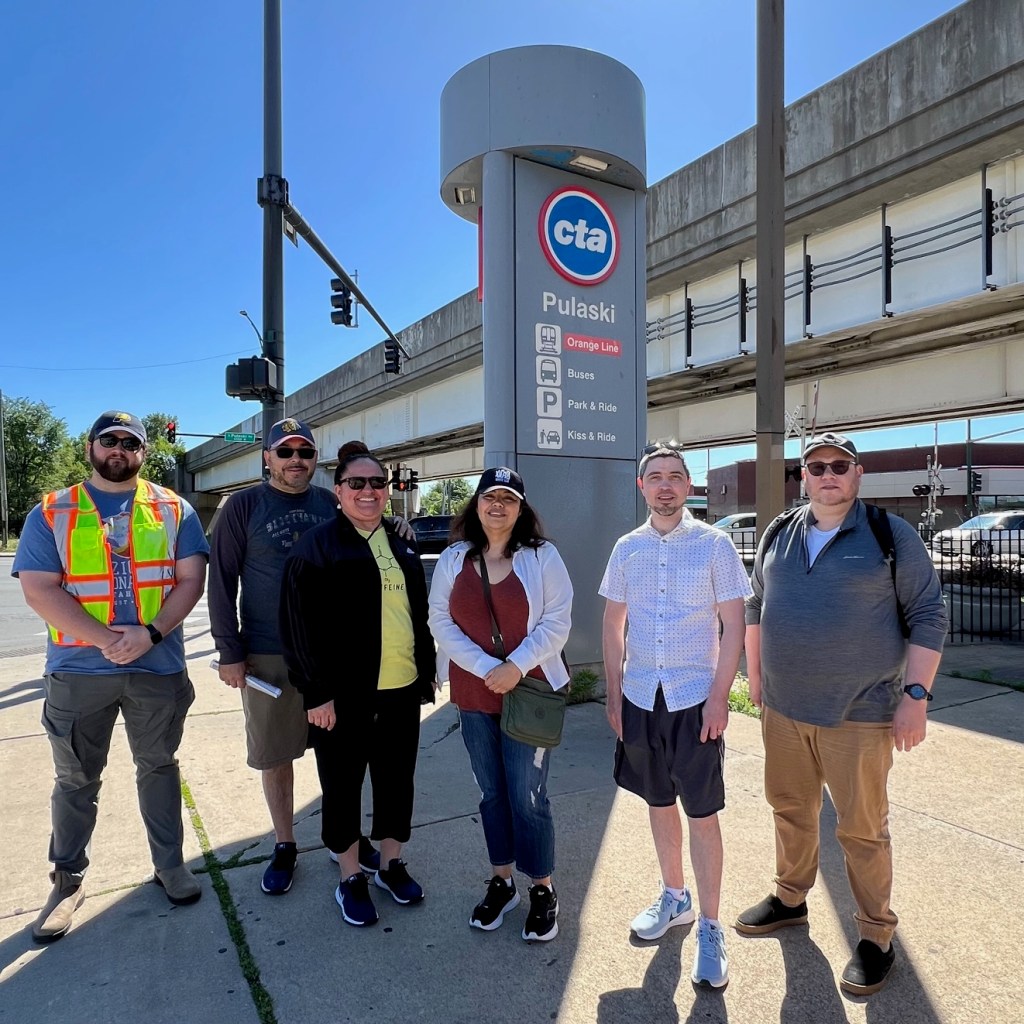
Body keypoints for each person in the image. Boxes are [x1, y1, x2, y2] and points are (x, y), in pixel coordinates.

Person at [736, 431, 947, 997]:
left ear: (857, 475)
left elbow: (928, 613)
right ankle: (789, 897)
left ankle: (876, 935)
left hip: (861, 712)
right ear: (803, 476)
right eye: (816, 466)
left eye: (839, 466)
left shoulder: (887, 533)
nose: (827, 474)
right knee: (789, 809)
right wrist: (754, 675)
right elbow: (757, 601)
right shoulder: (780, 531)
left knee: (861, 828)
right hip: (783, 708)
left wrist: (916, 696)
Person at [13, 410, 209, 942]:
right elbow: (39, 589)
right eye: (109, 440)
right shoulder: (52, 511)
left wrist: (150, 633)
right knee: (76, 778)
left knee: (159, 767)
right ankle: (67, 881)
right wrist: (106, 641)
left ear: (144, 452)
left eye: (130, 442)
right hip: (79, 671)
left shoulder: (173, 508)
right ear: (91, 446)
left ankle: (170, 866)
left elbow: (191, 579)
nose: (118, 449)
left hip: (158, 666)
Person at [209, 422, 387, 894]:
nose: (296, 459)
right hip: (268, 653)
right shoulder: (241, 507)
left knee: (342, 755)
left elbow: (370, 542)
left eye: (305, 451)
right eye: (285, 451)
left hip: (332, 656)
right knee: (277, 754)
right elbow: (221, 580)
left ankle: (342, 838)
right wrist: (229, 649)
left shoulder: (331, 502)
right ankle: (284, 843)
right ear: (267, 457)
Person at [600, 444, 751, 989]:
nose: (665, 486)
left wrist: (720, 696)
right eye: (654, 477)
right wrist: (614, 695)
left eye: (675, 477)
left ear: (689, 486)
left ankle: (711, 927)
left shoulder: (715, 546)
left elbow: (733, 626)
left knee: (702, 812)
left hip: (694, 700)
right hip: (641, 697)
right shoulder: (627, 549)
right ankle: (674, 897)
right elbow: (613, 625)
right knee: (658, 802)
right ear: (641, 487)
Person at [279, 447, 436, 927]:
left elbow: (417, 615)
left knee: (396, 782)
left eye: (376, 483)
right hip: (342, 696)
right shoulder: (317, 545)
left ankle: (390, 864)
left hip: (401, 689)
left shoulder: (401, 542)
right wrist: (315, 693)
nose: (368, 491)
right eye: (357, 484)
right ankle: (350, 876)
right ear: (339, 492)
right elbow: (296, 625)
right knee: (342, 787)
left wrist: (426, 670)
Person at [428, 467, 572, 943]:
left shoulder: (542, 556)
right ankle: (502, 880)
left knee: (528, 796)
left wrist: (515, 665)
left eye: (508, 498)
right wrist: (485, 666)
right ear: (476, 505)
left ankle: (542, 889)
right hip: (474, 694)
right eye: (489, 496)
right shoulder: (454, 558)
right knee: (491, 794)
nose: (497, 505)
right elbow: (439, 621)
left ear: (521, 509)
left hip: (529, 692)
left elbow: (557, 623)